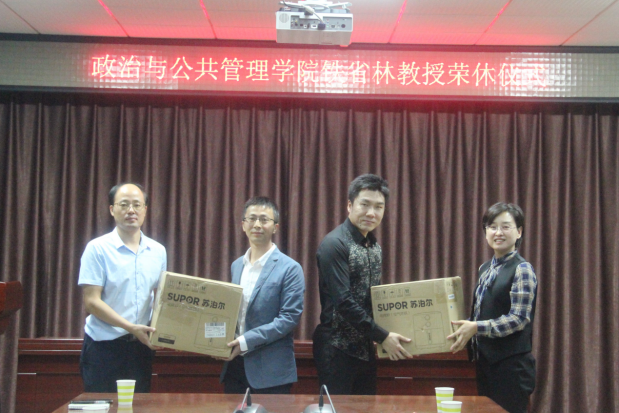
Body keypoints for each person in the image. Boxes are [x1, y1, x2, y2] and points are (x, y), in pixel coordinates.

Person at [312, 174, 412, 395]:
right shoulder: (334, 244)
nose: (371, 213)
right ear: (349, 205)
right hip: (336, 349)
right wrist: (383, 336)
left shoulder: (373, 246)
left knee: (365, 408)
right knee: (337, 409)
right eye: (364, 204)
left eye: (378, 207)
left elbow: (373, 299)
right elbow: (343, 302)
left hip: (366, 348)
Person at [448, 202, 537, 413]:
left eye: (506, 227)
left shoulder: (522, 269)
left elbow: (518, 319)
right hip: (485, 364)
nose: (498, 233)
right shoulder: (485, 268)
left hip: (511, 368)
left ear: (519, 231)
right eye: (492, 227)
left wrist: (476, 327)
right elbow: (480, 312)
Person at [78, 182, 167, 393]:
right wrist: (130, 327)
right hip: (103, 347)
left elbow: (162, 298)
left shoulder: (158, 251)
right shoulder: (97, 249)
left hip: (140, 348)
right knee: (103, 405)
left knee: (138, 405)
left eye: (137, 205)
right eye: (124, 204)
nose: (131, 210)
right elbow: (91, 302)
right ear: (112, 209)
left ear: (145, 209)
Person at [219, 196, 305, 394]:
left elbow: (288, 319)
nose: (257, 224)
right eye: (252, 219)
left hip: (271, 373)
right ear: (243, 225)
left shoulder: (291, 269)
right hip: (234, 367)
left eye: (264, 219)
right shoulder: (237, 265)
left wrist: (245, 341)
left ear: (275, 227)